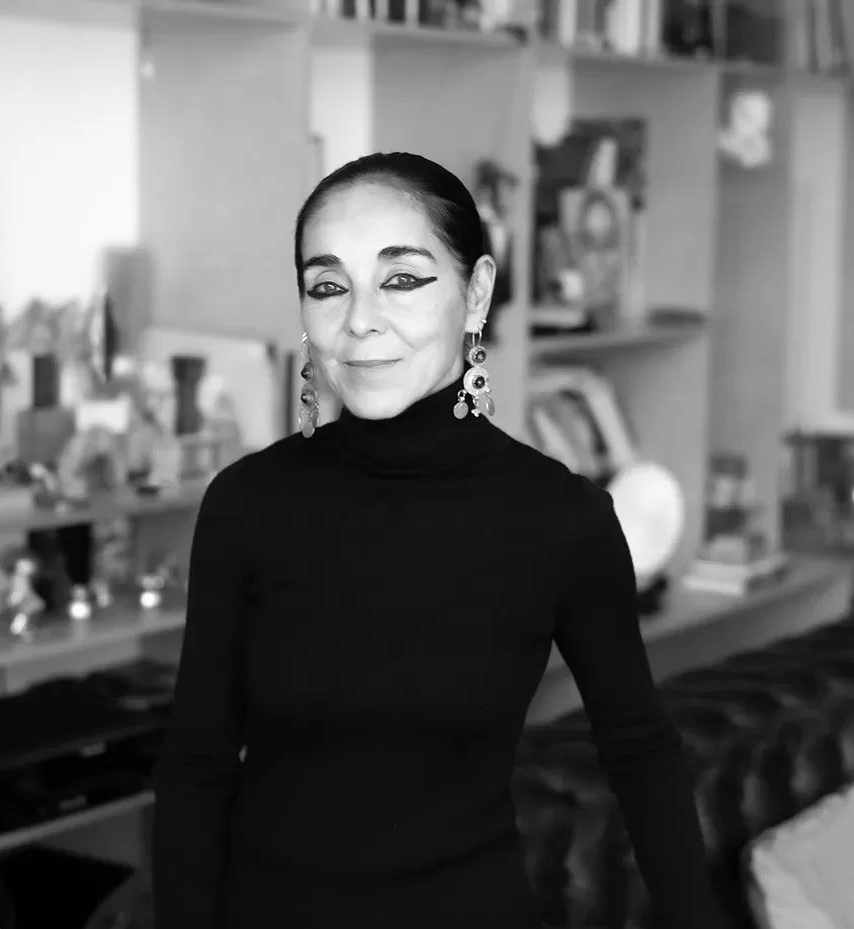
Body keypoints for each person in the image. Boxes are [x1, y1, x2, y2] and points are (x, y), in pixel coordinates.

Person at [151, 152, 722, 928]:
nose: (359, 319)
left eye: (402, 279)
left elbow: (639, 751)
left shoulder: (561, 519)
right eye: (327, 286)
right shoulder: (246, 504)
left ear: (476, 292)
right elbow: (195, 765)